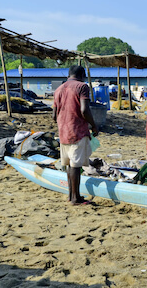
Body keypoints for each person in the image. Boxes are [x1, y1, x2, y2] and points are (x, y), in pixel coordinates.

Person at [53, 65, 98, 205]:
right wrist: (94, 125)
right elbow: (84, 110)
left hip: (63, 132)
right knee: (75, 166)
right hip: (77, 131)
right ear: (82, 75)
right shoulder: (82, 86)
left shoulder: (58, 89)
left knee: (68, 165)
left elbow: (54, 115)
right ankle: (75, 198)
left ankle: (70, 195)